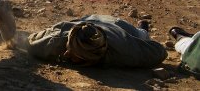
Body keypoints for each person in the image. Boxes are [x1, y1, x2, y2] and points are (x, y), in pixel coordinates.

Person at [27, 15, 167, 68]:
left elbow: (160, 51)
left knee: (142, 35)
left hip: (118, 27)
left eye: (75, 55)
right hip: (89, 19)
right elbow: (31, 41)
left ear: (93, 58)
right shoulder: (61, 37)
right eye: (69, 49)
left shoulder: (125, 51)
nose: (66, 54)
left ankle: (142, 26)